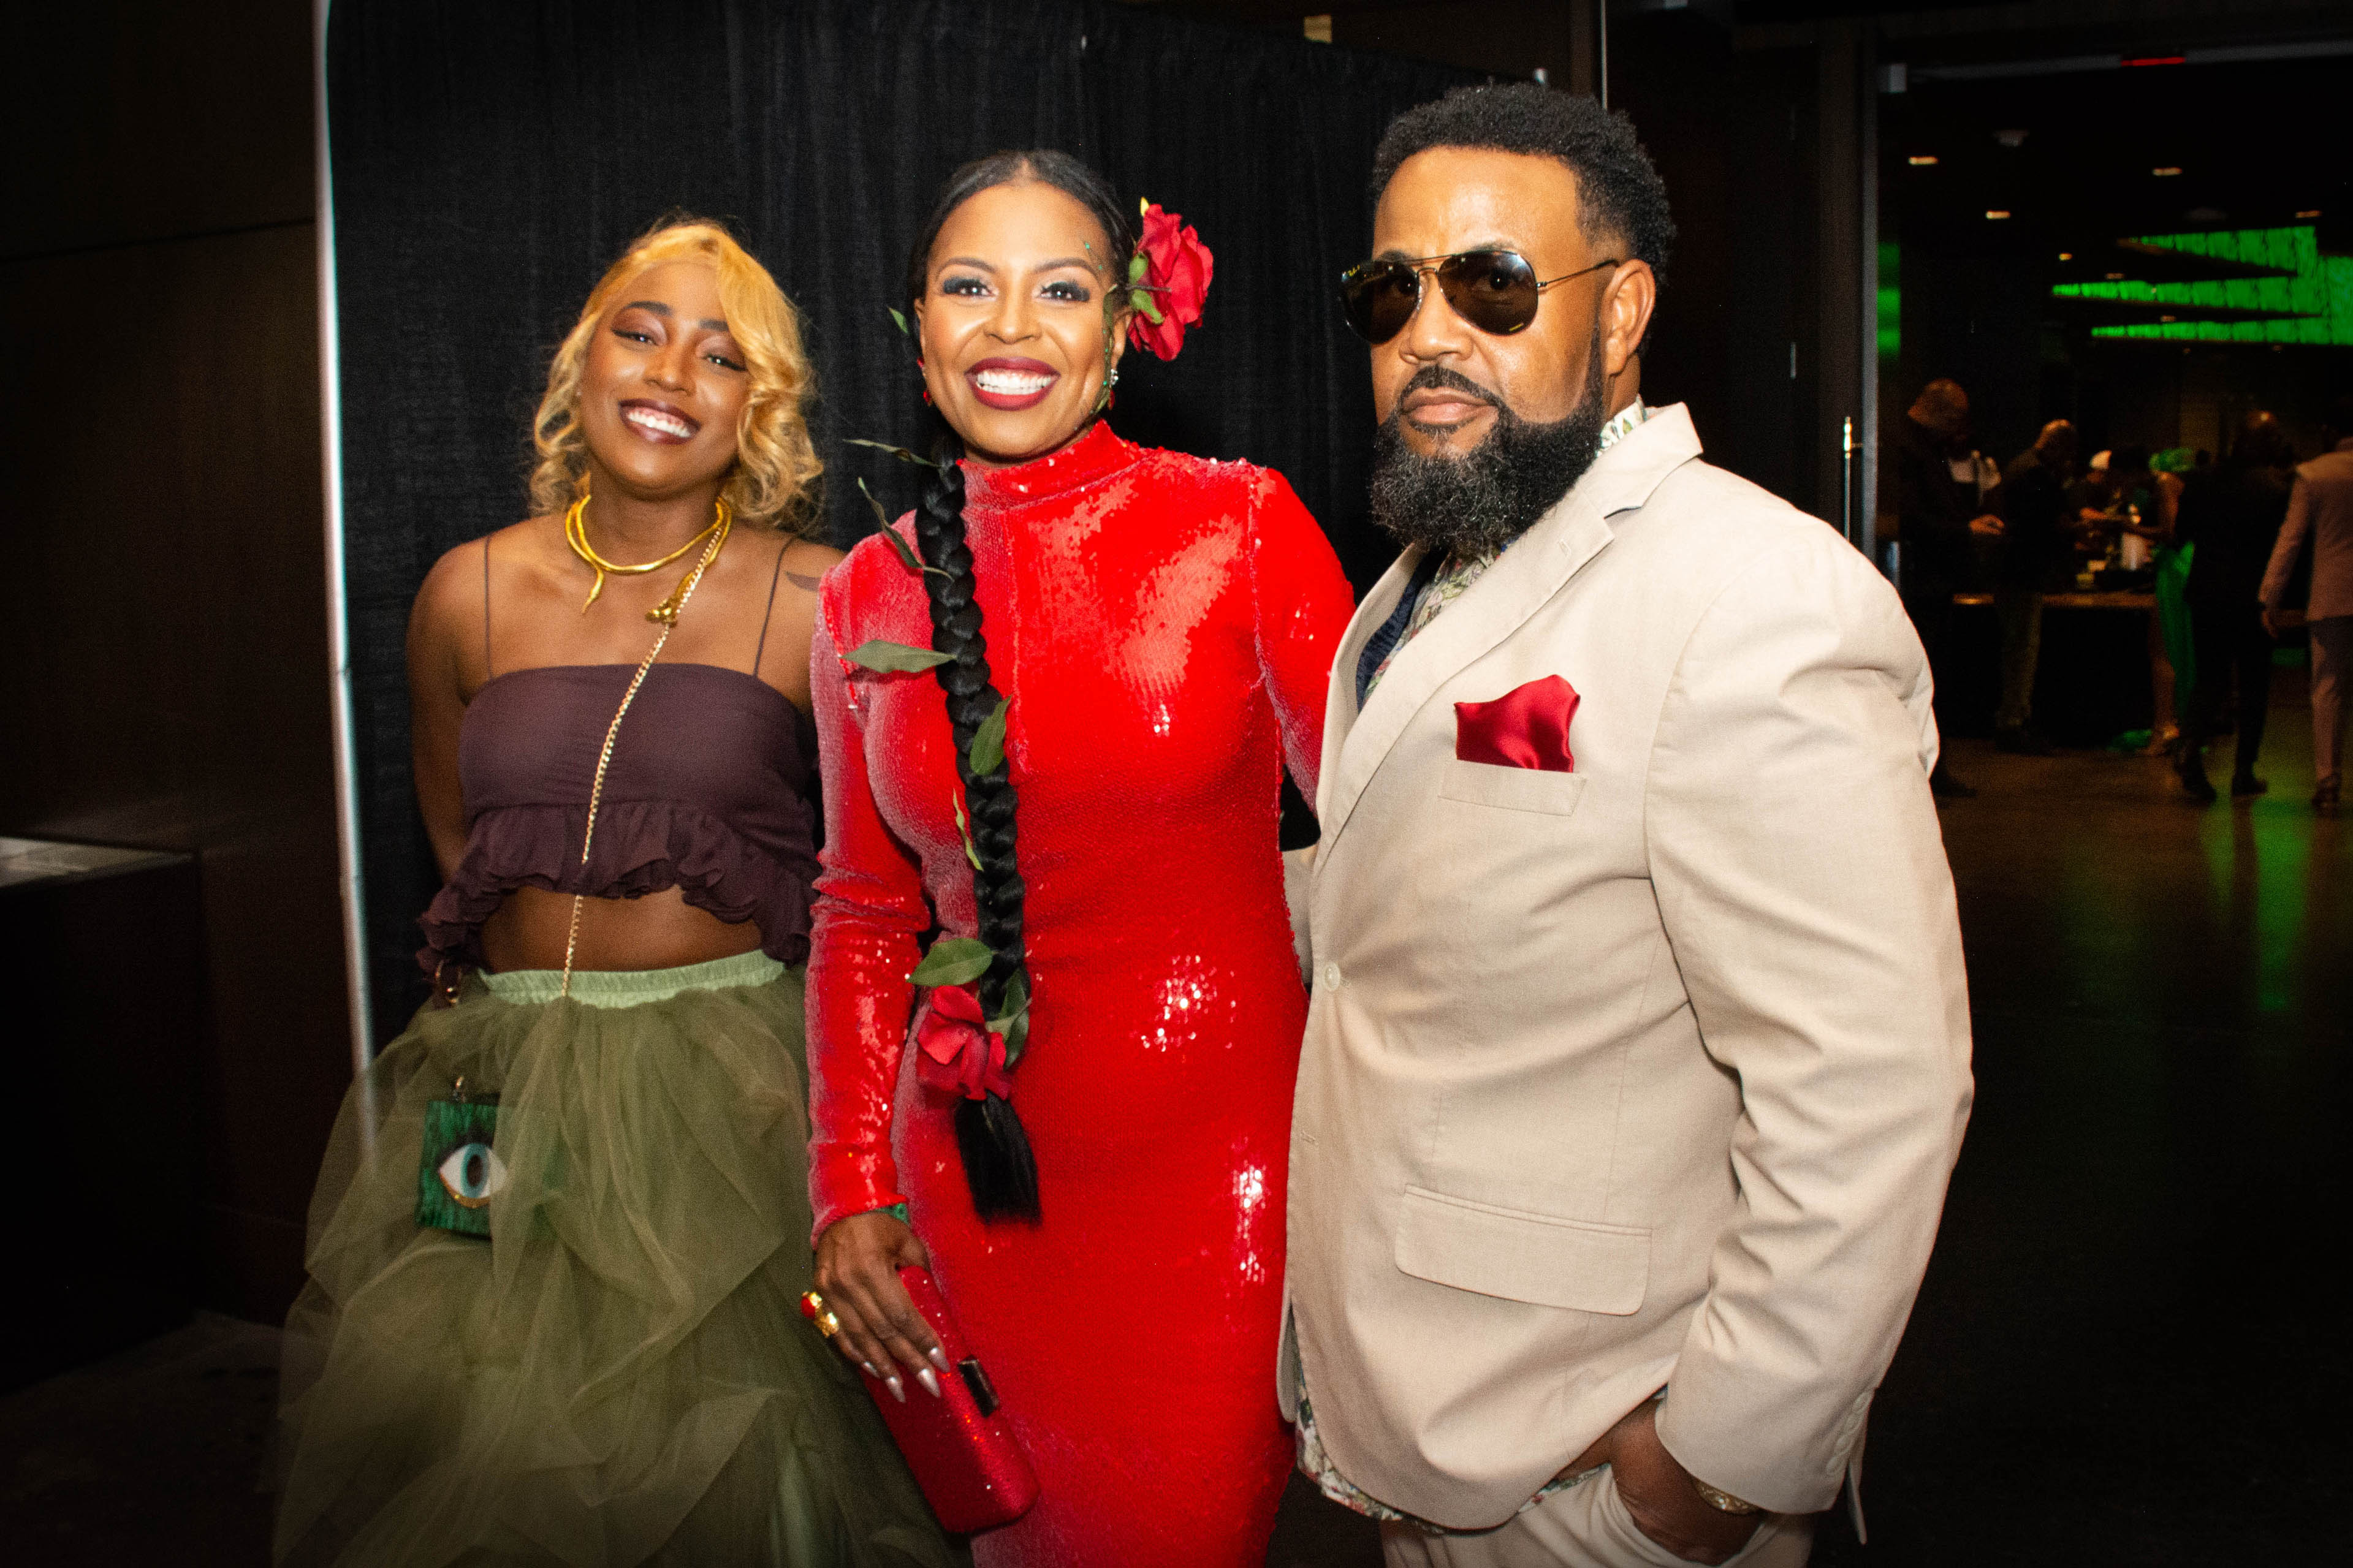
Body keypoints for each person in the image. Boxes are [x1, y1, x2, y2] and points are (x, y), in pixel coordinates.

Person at [1284, 84, 1973, 1568]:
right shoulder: (1419, 577)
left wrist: (1713, 1469)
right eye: (1389, 289)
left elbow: (1871, 1088)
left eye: (1491, 283)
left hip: (1592, 1475)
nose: (1429, 330)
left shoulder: (1752, 598)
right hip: (1431, 1422)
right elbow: (1427, 897)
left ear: (1621, 313)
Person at [273, 221, 952, 1567]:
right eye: (639, 330)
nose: (671, 373)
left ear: (758, 407)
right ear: (580, 361)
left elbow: (903, 875)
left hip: (732, 1102)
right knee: (489, 1461)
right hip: (506, 1077)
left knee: (742, 1484)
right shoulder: (464, 591)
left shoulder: (824, 597)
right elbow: (459, 834)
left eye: (722, 355)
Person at [802, 151, 1355, 1567]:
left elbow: (1387, 838)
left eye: (1061, 291)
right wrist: (851, 1184)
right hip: (970, 1201)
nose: (1010, 328)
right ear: (915, 329)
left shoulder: (1240, 526)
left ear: (1123, 329)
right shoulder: (864, 589)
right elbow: (864, 909)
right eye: (969, 288)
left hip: (1220, 1190)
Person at [1887, 378, 2004, 797]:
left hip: (1929, 580)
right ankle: (1923, 771)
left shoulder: (1919, 447)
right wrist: (1964, 530)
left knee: (1928, 680)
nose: (1959, 429)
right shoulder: (1908, 449)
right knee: (1921, 681)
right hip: (1920, 583)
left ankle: (1930, 768)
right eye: (1955, 418)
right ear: (1938, 412)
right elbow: (1910, 518)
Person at [2176, 412, 2296, 801]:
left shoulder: (2200, 480)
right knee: (2254, 685)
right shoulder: (2276, 489)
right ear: (2259, 443)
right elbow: (2284, 550)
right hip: (2252, 598)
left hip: (2207, 592)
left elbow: (2183, 535)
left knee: (2209, 679)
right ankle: (2243, 772)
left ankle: (2190, 748)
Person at [2262, 393, 2353, 814]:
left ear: (2328, 431)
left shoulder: (2313, 474)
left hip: (2332, 595)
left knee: (2327, 690)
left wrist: (2269, 597)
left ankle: (2327, 780)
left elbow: (2290, 540)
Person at [1992, 420, 2080, 754]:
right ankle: (2014, 721)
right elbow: (2052, 525)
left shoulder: (2019, 466)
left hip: (2012, 571)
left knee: (2016, 648)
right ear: (2059, 447)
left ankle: (2014, 719)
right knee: (2022, 650)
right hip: (2025, 573)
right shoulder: (2038, 474)